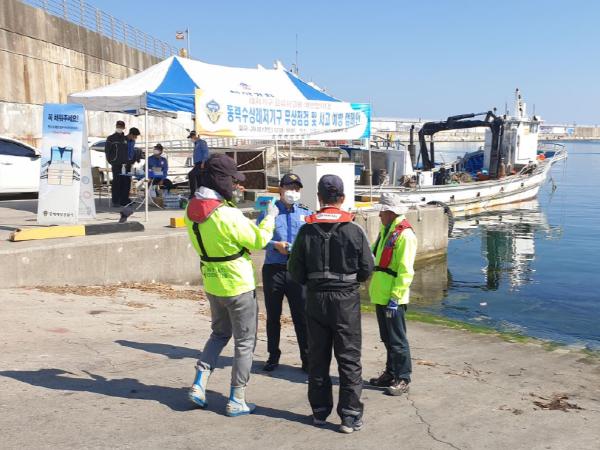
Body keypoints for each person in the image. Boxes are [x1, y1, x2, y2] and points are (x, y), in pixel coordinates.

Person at [184, 153, 278, 417]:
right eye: (233, 181)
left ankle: (199, 383)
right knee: (245, 342)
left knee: (218, 334)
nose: (237, 186)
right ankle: (237, 398)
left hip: (212, 282)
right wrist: (269, 217)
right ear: (221, 180)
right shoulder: (228, 214)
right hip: (238, 284)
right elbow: (258, 241)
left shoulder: (190, 210)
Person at [288, 174, 374, 434]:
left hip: (315, 298)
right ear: (343, 198)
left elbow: (295, 270)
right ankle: (349, 416)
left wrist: (313, 282)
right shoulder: (354, 229)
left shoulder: (306, 230)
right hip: (345, 299)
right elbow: (367, 268)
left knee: (318, 357)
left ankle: (319, 411)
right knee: (349, 359)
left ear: (319, 198)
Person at [257, 173, 311, 372]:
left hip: (297, 270)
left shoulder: (306, 213)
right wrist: (275, 245)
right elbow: (258, 238)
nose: (292, 192)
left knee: (301, 316)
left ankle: (307, 357)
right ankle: (273, 355)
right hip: (274, 270)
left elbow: (311, 240)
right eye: (289, 188)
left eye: (296, 189)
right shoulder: (269, 212)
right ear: (280, 189)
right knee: (273, 316)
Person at [368, 193, 417, 396]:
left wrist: (395, 297)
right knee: (387, 338)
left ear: (390, 212)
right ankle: (390, 373)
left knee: (397, 340)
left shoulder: (405, 235)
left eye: (382, 211)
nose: (379, 215)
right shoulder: (386, 231)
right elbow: (373, 253)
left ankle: (403, 378)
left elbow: (406, 271)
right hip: (381, 293)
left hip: (393, 297)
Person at [104, 120, 127, 207]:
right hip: (116, 164)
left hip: (125, 165)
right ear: (116, 126)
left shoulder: (126, 139)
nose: (119, 128)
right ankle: (115, 201)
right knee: (116, 182)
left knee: (124, 183)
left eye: (121, 127)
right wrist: (111, 161)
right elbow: (107, 151)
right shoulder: (111, 138)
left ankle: (123, 200)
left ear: (124, 128)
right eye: (118, 126)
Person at [187, 130, 210, 197]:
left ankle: (193, 193)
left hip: (201, 163)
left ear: (195, 136)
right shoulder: (196, 143)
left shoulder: (202, 142)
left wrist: (203, 162)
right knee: (199, 178)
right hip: (197, 163)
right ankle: (200, 193)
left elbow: (205, 152)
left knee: (191, 174)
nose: (191, 138)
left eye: (192, 137)